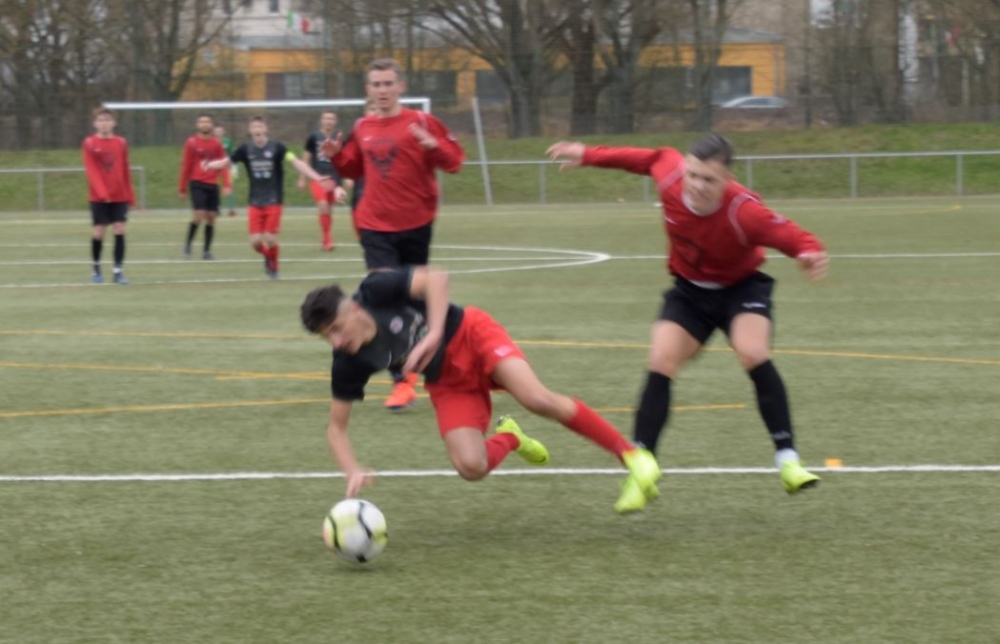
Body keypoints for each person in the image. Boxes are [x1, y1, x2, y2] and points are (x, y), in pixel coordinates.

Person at [547, 133, 830, 512]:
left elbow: (789, 234)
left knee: (753, 352)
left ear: (727, 179)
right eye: (692, 175)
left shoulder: (744, 211)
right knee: (660, 360)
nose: (696, 185)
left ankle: (788, 461)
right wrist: (588, 154)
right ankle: (641, 468)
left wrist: (809, 252)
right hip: (690, 293)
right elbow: (645, 158)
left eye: (708, 179)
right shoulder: (670, 175)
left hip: (741, 289)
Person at [299, 266, 662, 513]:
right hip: (447, 380)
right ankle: (512, 438)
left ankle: (634, 458)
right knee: (471, 466)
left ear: (353, 309)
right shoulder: (347, 361)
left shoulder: (375, 290)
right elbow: (336, 428)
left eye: (336, 328)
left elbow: (437, 278)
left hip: (472, 334)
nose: (336, 341)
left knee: (536, 398)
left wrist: (435, 332)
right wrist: (351, 469)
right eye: (326, 337)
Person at [321, 58, 465, 411]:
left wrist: (432, 145)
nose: (382, 90)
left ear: (401, 86)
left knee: (413, 302)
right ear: (368, 89)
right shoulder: (363, 126)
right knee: (382, 298)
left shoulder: (422, 121)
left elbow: (455, 162)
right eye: (376, 84)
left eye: (388, 84)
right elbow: (355, 168)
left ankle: (437, 358)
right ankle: (402, 381)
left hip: (416, 222)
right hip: (375, 225)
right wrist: (337, 157)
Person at [203, 116, 336, 279]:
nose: (257, 130)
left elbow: (297, 162)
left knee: (270, 238)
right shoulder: (245, 149)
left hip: (274, 200)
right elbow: (225, 162)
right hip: (255, 201)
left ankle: (274, 265)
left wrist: (317, 178)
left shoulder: (277, 148)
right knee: (255, 242)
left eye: (260, 126)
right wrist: (209, 165)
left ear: (265, 129)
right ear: (250, 130)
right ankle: (268, 256)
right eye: (254, 127)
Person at [81, 107, 135, 285]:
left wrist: (130, 194)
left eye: (107, 119)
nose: (104, 123)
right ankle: (96, 267)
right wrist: (103, 193)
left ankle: (118, 271)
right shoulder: (89, 143)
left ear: (114, 123)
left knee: (120, 229)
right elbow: (91, 170)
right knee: (99, 231)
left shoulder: (121, 143)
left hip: (119, 195)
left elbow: (125, 169)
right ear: (95, 123)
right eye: (101, 120)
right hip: (99, 197)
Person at [179, 114, 231, 260]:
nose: (205, 124)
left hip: (212, 184)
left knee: (211, 218)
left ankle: (206, 251)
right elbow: (186, 166)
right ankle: (188, 245)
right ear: (197, 125)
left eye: (207, 121)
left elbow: (223, 165)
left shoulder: (217, 144)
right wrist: (182, 188)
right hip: (197, 183)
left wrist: (226, 184)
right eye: (202, 121)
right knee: (199, 214)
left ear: (211, 125)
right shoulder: (191, 143)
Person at [299, 110, 348, 251]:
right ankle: (327, 240)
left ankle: (326, 238)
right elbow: (306, 158)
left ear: (335, 121)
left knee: (329, 210)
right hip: (318, 178)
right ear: (321, 120)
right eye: (326, 118)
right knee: (323, 205)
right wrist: (302, 178)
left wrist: (347, 177)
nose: (328, 121)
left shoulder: (338, 138)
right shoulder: (314, 137)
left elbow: (344, 159)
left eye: (331, 119)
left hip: (334, 179)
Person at [213, 124, 238, 218]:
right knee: (215, 189)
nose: (218, 133)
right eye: (216, 131)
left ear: (223, 132)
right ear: (214, 132)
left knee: (229, 188)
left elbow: (232, 154)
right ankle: (217, 209)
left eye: (220, 131)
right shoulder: (211, 141)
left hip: (226, 168)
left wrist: (234, 168)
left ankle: (231, 209)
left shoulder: (227, 141)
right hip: (215, 169)